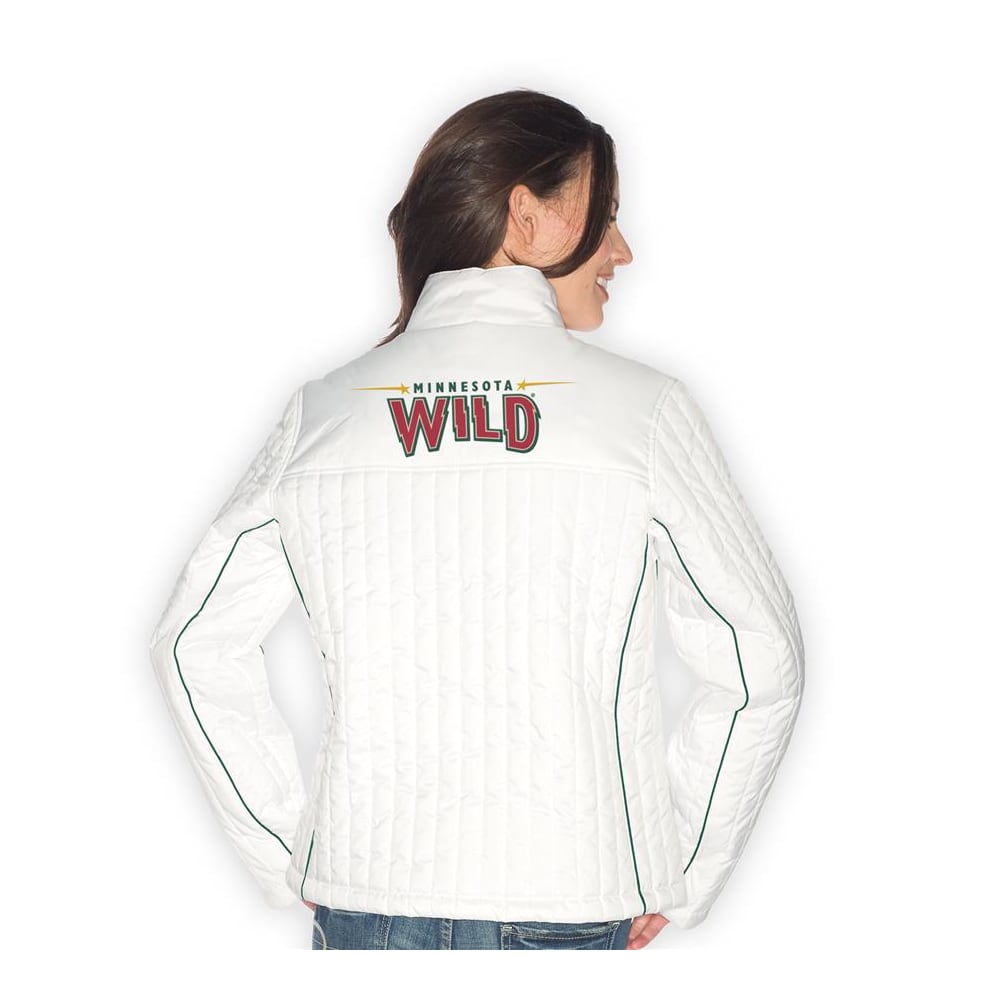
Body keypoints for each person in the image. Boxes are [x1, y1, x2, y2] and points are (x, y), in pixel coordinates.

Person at [148, 88, 805, 951]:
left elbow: (192, 643)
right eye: (606, 214)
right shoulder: (642, 414)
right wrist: (676, 867)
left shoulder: (325, 412)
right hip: (569, 903)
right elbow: (760, 661)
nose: (623, 249)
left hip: (367, 909)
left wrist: (289, 853)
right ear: (525, 216)